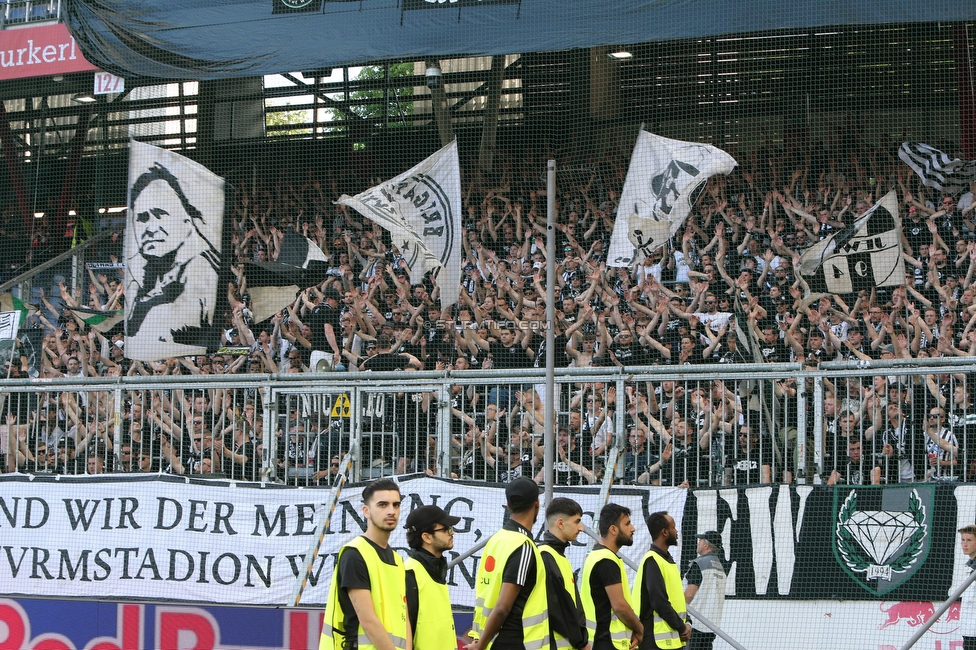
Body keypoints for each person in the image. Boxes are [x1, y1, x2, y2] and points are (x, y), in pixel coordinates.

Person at [125, 161, 221, 360]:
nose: (150, 227)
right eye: (142, 218)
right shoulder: (146, 278)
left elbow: (179, 324)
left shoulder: (199, 267)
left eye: (160, 215)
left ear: (186, 221)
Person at [320, 478, 409, 650]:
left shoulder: (397, 559)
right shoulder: (355, 554)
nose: (391, 511)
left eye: (396, 505)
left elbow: (402, 617)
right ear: (366, 511)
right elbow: (368, 620)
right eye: (382, 505)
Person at [467, 476, 550, 650]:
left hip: (491, 638)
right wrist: (480, 645)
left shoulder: (496, 539)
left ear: (509, 505)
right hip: (515, 641)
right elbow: (503, 607)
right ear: (537, 504)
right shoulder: (523, 545)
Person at [580, 503, 643, 650]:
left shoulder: (597, 555)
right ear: (613, 529)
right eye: (627, 524)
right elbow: (620, 606)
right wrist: (640, 629)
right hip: (608, 641)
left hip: (599, 639)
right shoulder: (606, 560)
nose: (632, 528)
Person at [404, 505, 462, 650]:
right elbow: (405, 632)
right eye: (445, 529)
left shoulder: (436, 569)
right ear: (427, 537)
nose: (452, 532)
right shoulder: (410, 573)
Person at [633, 511, 690, 650]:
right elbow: (659, 601)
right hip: (655, 640)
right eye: (673, 527)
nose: (676, 531)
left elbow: (677, 600)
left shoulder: (666, 560)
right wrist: (682, 627)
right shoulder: (653, 560)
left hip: (670, 639)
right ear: (664, 532)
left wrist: (687, 622)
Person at [538, 497, 589, 650]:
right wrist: (582, 642)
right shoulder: (546, 556)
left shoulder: (558, 556)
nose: (581, 528)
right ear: (560, 523)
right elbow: (559, 610)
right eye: (577, 521)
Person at [683, 531, 726, 650]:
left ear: (706, 545)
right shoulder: (720, 567)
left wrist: (678, 611)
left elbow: (690, 594)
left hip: (695, 623)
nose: (698, 543)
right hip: (711, 624)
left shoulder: (700, 563)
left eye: (700, 540)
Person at [956, 524, 976, 650]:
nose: (965, 544)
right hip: (968, 630)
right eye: (963, 540)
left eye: (969, 540)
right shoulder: (968, 567)